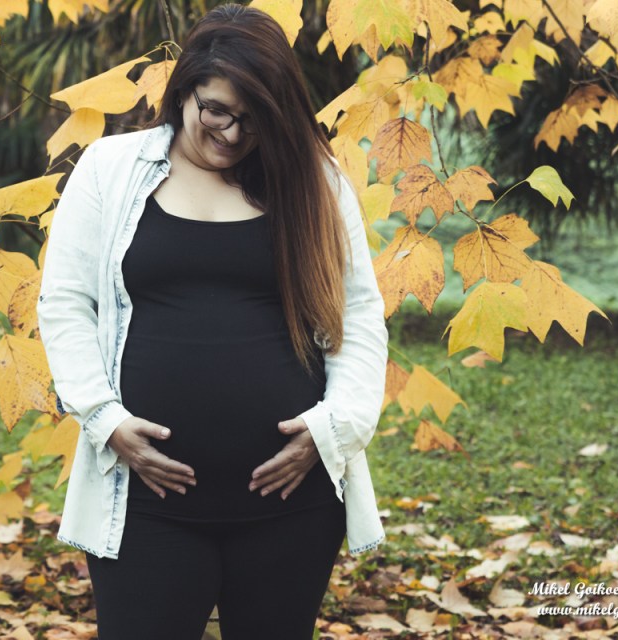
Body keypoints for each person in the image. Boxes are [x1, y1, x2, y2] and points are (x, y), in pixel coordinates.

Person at [36, 4, 388, 639]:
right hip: (144, 503)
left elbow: (358, 313)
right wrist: (104, 420)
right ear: (184, 90)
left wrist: (332, 431)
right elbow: (65, 303)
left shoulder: (314, 182)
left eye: (254, 119)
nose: (231, 133)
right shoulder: (110, 169)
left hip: (292, 504)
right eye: (217, 110)